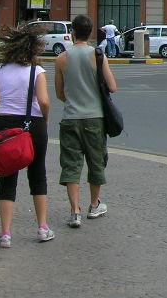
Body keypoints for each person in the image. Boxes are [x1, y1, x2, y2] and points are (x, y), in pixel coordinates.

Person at [0, 26, 53, 247]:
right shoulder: (37, 72)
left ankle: (6, 233)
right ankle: (42, 228)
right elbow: (44, 101)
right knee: (38, 173)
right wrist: (45, 119)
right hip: (32, 123)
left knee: (7, 175)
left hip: (5, 123)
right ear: (33, 49)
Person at [55, 14, 117, 230]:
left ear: (72, 32)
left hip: (70, 118)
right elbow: (112, 86)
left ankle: (75, 211)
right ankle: (94, 205)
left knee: (71, 164)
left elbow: (60, 94)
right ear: (90, 33)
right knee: (96, 160)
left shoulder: (61, 58)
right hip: (95, 118)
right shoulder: (98, 56)